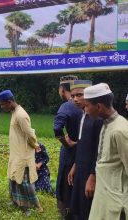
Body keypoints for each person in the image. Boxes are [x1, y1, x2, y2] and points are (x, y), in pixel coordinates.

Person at [84, 83, 128, 220]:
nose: (85, 110)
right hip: (104, 196)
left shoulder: (120, 130)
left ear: (98, 107)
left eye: (87, 106)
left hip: (116, 202)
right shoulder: (105, 123)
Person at [0, 90, 43, 216]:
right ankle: (16, 201)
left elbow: (29, 134)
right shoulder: (14, 112)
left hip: (23, 155)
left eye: (2, 105)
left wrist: (35, 145)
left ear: (9, 102)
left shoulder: (21, 115)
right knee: (14, 179)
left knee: (24, 183)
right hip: (16, 153)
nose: (2, 107)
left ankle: (31, 207)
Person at [63, 80, 103, 220]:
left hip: (91, 172)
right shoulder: (83, 115)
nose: (75, 99)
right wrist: (75, 165)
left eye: (79, 95)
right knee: (78, 207)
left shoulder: (97, 119)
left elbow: (100, 151)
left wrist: (93, 176)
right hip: (80, 169)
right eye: (73, 95)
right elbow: (82, 144)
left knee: (89, 209)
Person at [53, 75, 82, 219]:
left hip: (70, 154)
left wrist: (66, 142)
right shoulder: (87, 105)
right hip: (85, 153)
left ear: (61, 89)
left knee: (65, 187)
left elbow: (57, 128)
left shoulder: (67, 106)